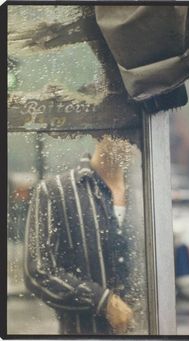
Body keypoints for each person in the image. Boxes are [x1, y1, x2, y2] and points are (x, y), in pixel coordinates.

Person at [24, 134, 147, 335]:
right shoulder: (55, 191)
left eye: (134, 133)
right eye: (121, 131)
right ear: (100, 131)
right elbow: (38, 271)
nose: (131, 142)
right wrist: (103, 302)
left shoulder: (145, 192)